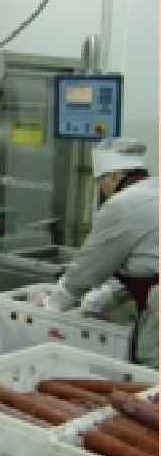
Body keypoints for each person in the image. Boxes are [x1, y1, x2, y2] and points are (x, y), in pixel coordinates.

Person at [43, 138, 158, 368]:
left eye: (100, 181)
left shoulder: (122, 204)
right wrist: (104, 296)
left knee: (151, 370)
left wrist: (52, 304)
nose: (100, 189)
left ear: (114, 176)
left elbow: (87, 268)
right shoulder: (154, 189)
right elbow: (144, 262)